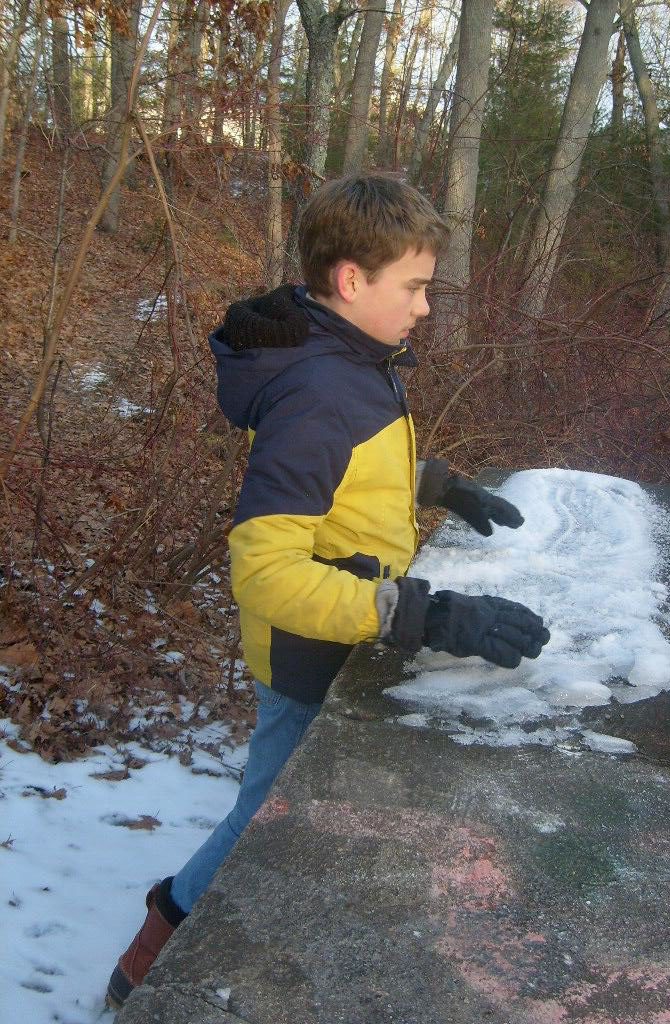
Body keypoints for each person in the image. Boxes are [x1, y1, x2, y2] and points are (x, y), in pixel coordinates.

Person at [106, 174, 550, 1008]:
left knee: (278, 802)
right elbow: (266, 568)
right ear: (352, 280)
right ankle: (152, 952)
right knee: (264, 811)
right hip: (309, 649)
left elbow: (351, 476)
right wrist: (421, 612)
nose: (424, 308)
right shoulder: (319, 388)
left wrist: (443, 486)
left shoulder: (345, 359)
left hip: (338, 628)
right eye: (414, 287)